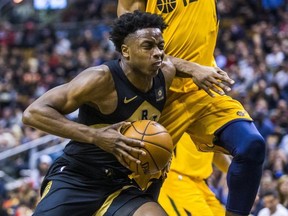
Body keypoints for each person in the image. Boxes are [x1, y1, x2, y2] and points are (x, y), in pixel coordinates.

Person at [22, 11, 233, 216]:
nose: (158, 52)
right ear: (126, 51)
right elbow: (33, 113)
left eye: (160, 46)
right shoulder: (100, 79)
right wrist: (96, 136)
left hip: (120, 182)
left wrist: (196, 69)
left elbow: (172, 63)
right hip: (77, 176)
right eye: (147, 46)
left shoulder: (165, 73)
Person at [117, 1, 266, 216]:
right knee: (124, 187)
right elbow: (130, 49)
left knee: (251, 145)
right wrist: (190, 68)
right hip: (157, 94)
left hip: (202, 89)